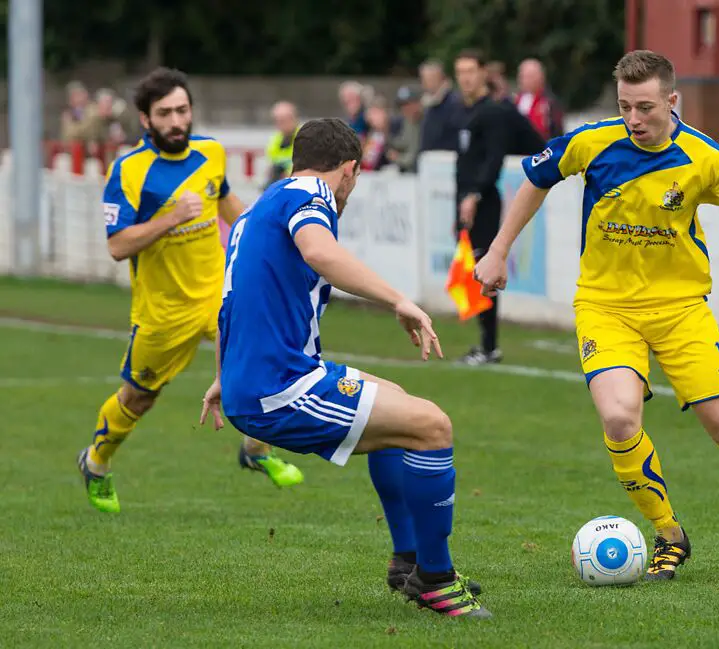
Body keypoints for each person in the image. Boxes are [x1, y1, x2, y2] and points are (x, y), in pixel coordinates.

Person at [475, 50, 719, 582]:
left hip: (681, 310)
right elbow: (535, 179)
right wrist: (499, 249)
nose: (634, 119)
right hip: (606, 307)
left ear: (671, 101)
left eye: (645, 107)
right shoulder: (593, 142)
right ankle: (668, 534)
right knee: (618, 418)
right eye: (625, 106)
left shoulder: (707, 157)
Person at [198, 117, 489, 618]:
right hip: (283, 386)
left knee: (398, 404)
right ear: (350, 170)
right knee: (433, 427)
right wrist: (399, 299)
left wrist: (225, 378)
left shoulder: (256, 210)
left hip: (260, 381)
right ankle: (437, 580)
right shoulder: (312, 196)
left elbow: (229, 303)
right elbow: (319, 250)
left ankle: (409, 561)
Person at [77, 68, 303, 514]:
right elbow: (117, 246)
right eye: (165, 113)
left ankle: (255, 451)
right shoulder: (129, 171)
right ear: (146, 120)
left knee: (265, 357)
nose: (177, 120)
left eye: (182, 110)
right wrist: (171, 217)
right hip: (163, 310)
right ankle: (96, 461)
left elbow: (227, 202)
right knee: (139, 398)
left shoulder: (211, 152)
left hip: (218, 290)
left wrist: (266, 234)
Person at [453, 49, 509, 365]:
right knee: (470, 273)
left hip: (484, 204)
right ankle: (484, 343)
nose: (465, 78)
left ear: (483, 72)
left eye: (471, 71)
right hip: (464, 203)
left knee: (485, 272)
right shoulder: (462, 112)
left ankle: (490, 347)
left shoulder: (493, 112)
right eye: (460, 71)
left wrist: (474, 195)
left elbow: (493, 161)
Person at [264, 101, 301, 189]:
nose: (280, 124)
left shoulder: (304, 137)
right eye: (277, 120)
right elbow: (272, 164)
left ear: (294, 118)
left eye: (283, 120)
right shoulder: (275, 140)